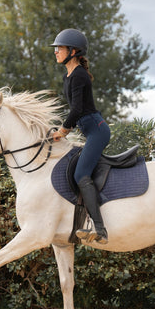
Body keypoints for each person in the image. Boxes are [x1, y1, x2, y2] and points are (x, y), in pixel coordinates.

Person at [50, 28, 111, 244]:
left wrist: (63, 131)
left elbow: (76, 110)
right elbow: (77, 111)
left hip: (97, 130)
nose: (56, 52)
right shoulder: (69, 76)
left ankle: (100, 229)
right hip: (89, 129)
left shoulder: (79, 76)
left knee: (80, 174)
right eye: (56, 48)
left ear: (73, 51)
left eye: (60, 48)